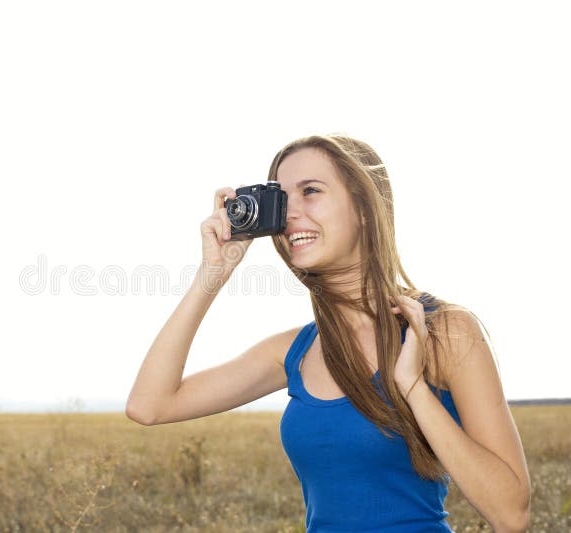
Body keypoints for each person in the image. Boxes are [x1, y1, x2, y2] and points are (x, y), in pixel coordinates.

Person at [125, 134, 531, 532]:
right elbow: (150, 405)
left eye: (311, 191)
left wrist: (412, 386)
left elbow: (510, 515)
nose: (290, 214)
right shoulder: (295, 351)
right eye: (282, 199)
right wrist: (212, 274)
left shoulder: (446, 332)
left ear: (364, 208)